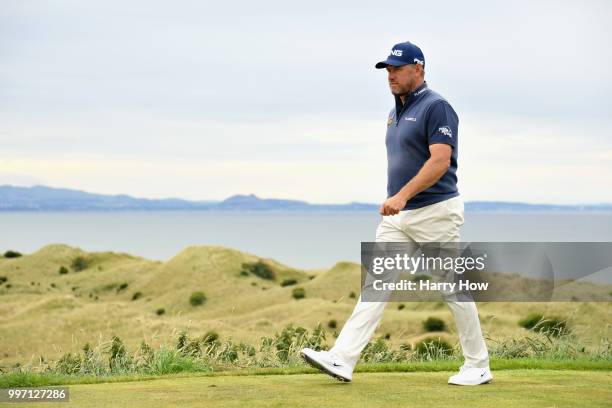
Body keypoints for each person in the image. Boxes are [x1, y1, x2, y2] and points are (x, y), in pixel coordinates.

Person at [301, 41, 492, 386]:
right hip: (399, 218)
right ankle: (342, 359)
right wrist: (399, 201)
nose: (390, 75)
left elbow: (439, 161)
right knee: (375, 285)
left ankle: (477, 365)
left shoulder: (437, 107)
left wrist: (402, 195)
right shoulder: (395, 111)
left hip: (435, 212)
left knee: (451, 289)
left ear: (418, 69)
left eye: (397, 68)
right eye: (387, 69)